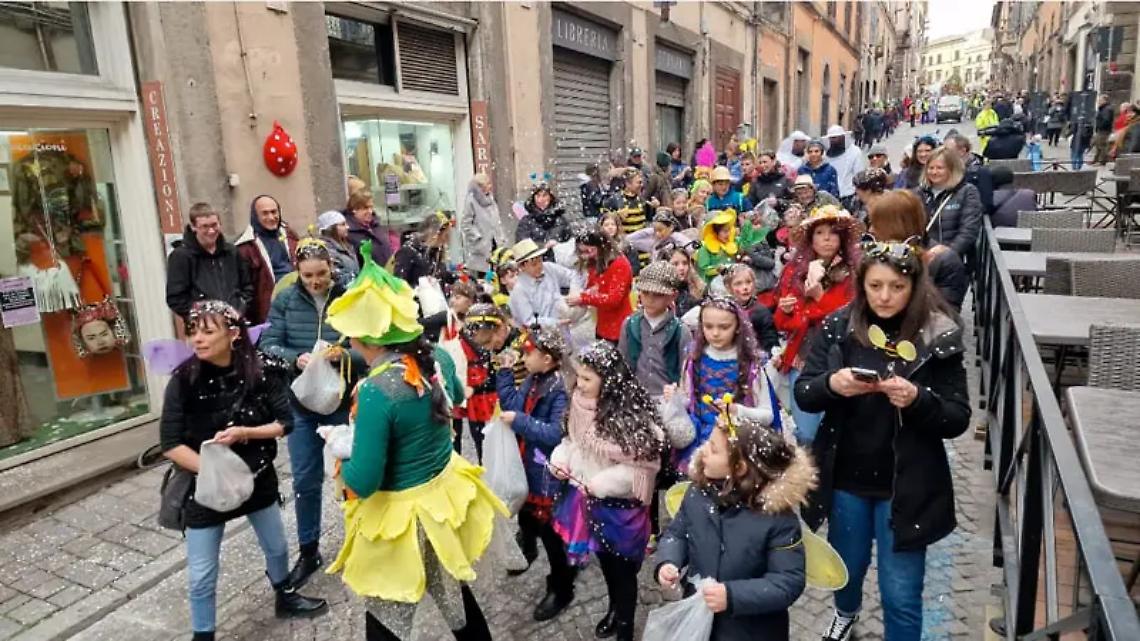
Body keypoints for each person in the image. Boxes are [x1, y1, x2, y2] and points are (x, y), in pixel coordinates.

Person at [323, 243, 506, 641]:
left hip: (400, 519)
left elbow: (364, 480)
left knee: (386, 617)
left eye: (352, 334)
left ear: (369, 338)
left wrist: (339, 453)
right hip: (440, 502)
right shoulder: (437, 357)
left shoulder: (376, 390)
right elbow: (454, 398)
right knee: (458, 605)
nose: (349, 341)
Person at [795, 236, 970, 641]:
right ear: (862, 285)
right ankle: (846, 612)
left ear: (914, 287)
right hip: (847, 479)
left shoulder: (938, 332)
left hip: (906, 484)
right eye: (875, 286)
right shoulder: (840, 326)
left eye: (897, 286)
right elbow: (804, 392)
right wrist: (832, 384)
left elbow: (957, 416)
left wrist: (918, 399)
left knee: (901, 594)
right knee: (847, 568)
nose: (885, 297)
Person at [161, 301, 328, 641]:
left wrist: (245, 433)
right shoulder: (183, 380)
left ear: (234, 334)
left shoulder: (260, 372)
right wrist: (215, 471)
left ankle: (285, 595)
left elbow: (285, 423)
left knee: (277, 547)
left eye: (208, 332)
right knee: (201, 573)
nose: (197, 339)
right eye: (193, 332)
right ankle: (203, 635)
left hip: (257, 476)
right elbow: (170, 443)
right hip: (206, 487)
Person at [259, 239, 366, 589]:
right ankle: (309, 550)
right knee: (305, 479)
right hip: (301, 402)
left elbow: (370, 346)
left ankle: (361, 543)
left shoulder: (349, 298)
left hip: (341, 400)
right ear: (297, 272)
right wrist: (295, 358)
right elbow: (268, 345)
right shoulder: (286, 300)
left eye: (321, 273)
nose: (316, 281)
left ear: (331, 267)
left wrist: (345, 355)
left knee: (352, 475)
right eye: (308, 276)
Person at [549, 341, 665, 641]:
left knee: (624, 568)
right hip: (586, 500)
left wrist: (606, 483)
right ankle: (615, 609)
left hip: (620, 506)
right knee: (605, 561)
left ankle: (625, 625)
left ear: (609, 380)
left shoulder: (630, 414)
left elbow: (645, 464)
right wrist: (563, 460)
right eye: (579, 376)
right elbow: (573, 441)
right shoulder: (578, 403)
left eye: (587, 379)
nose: (580, 384)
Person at [656, 419, 812, 641]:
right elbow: (677, 533)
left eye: (713, 449)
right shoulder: (698, 492)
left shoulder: (778, 520)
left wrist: (732, 596)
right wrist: (669, 561)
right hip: (701, 620)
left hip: (751, 631)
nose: (703, 450)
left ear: (739, 468)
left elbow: (787, 581)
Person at [495, 329, 573, 620]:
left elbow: (554, 433)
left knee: (552, 535)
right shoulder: (534, 378)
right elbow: (513, 405)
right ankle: (528, 549)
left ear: (547, 359)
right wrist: (505, 373)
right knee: (527, 518)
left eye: (529, 353)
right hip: (528, 466)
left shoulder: (559, 388)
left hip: (547, 474)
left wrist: (520, 421)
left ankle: (562, 588)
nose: (524, 358)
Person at [772, 205, 862, 445]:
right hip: (802, 357)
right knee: (806, 432)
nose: (827, 239)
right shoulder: (795, 271)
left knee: (837, 431)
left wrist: (820, 297)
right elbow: (782, 323)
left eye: (833, 233)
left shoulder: (854, 273)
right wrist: (786, 310)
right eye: (820, 233)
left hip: (841, 357)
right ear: (811, 239)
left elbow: (851, 319)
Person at [666, 295, 774, 470]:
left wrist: (737, 411)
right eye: (708, 326)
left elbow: (767, 415)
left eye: (724, 327)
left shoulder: (751, 366)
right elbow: (689, 401)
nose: (715, 333)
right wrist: (675, 397)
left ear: (738, 327)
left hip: (736, 444)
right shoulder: (694, 359)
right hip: (698, 442)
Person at [867, 190, 968, 311]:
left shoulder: (943, 261)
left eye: (877, 224)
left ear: (897, 225)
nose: (871, 230)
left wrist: (919, 270)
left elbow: (947, 314)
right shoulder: (876, 255)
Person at [166, 202, 253, 322]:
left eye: (214, 225)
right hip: (203, 326)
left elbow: (247, 286)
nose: (211, 231)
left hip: (235, 321)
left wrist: (239, 308)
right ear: (193, 227)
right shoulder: (181, 257)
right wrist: (203, 316)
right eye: (205, 226)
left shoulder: (232, 252)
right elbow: (176, 298)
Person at [618, 260, 692, 398]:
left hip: (667, 398)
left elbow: (686, 373)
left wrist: (679, 393)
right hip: (635, 396)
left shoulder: (681, 331)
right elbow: (622, 363)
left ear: (673, 296)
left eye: (658, 294)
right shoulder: (629, 324)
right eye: (645, 292)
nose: (650, 299)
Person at [236, 194, 300, 325]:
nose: (271, 217)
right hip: (269, 312)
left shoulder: (291, 236)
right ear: (255, 216)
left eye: (274, 212)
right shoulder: (246, 247)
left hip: (298, 304)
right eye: (265, 213)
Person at [566, 225, 634, 344]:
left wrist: (583, 298)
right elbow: (593, 287)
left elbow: (613, 300)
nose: (586, 255)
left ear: (601, 246)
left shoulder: (620, 264)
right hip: (603, 326)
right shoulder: (596, 262)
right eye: (581, 252)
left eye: (589, 251)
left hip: (619, 329)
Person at [919, 147, 983, 261]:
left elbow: (969, 230)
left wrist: (948, 253)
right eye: (931, 168)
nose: (934, 172)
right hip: (924, 258)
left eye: (939, 168)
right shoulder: (920, 193)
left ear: (951, 169)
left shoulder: (967, 191)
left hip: (953, 259)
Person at [507, 238, 583, 329]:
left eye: (540, 261)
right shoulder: (519, 290)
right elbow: (529, 321)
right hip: (542, 332)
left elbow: (573, 275)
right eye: (534, 264)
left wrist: (574, 291)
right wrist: (555, 322)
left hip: (564, 322)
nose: (539, 266)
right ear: (522, 267)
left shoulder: (548, 268)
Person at [722, 264, 779, 352]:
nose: (745, 287)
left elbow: (771, 343)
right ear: (729, 287)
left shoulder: (761, 312)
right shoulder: (724, 311)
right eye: (738, 284)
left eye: (748, 282)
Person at [461, 173, 506, 276]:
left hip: (494, 242)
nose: (490, 186)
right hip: (481, 246)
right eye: (488, 184)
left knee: (496, 274)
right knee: (483, 276)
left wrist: (501, 236)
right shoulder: (471, 200)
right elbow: (465, 224)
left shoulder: (490, 198)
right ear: (480, 186)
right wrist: (477, 236)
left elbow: (496, 220)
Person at [943, 133, 994, 215]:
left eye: (947, 150)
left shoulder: (980, 172)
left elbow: (986, 204)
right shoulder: (944, 169)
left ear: (962, 151)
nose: (943, 154)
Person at [344, 189, 394, 270]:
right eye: (365, 208)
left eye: (371, 207)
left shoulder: (376, 226)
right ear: (354, 209)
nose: (370, 211)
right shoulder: (349, 233)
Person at [516, 180, 570, 249]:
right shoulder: (526, 221)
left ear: (551, 197)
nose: (540, 199)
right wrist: (543, 246)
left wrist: (558, 245)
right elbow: (522, 244)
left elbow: (569, 243)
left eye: (544, 195)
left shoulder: (560, 220)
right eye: (538, 196)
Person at [822, 124, 867, 204]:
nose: (834, 140)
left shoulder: (855, 152)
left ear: (843, 137)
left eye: (836, 137)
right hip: (829, 197)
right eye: (831, 138)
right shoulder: (825, 155)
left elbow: (859, 174)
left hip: (848, 196)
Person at [316, 210, 361, 287]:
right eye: (343, 224)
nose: (348, 227)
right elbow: (337, 279)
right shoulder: (327, 251)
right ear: (330, 228)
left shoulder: (347, 245)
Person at [696, 209, 743, 283]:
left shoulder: (735, 241)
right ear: (714, 232)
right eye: (725, 231)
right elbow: (703, 270)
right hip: (715, 285)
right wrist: (717, 269)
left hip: (735, 281)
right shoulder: (705, 248)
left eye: (729, 230)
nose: (728, 234)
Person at [604, 168, 654, 235]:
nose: (641, 185)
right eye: (639, 182)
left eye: (641, 182)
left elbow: (649, 221)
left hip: (640, 239)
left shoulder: (642, 200)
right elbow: (602, 220)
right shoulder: (614, 200)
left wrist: (654, 208)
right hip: (623, 239)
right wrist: (616, 216)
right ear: (628, 184)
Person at [666, 245, 706, 319]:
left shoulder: (699, 288)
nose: (681, 268)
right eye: (675, 264)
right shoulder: (659, 294)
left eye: (685, 263)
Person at [1092, 94, 1115, 165]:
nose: (1099, 101)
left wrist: (1100, 126)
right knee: (1098, 145)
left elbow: (1106, 120)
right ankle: (1096, 160)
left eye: (1100, 100)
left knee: (1102, 146)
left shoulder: (1107, 109)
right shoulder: (1102, 108)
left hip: (1104, 130)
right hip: (1100, 130)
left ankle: (1102, 161)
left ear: (1105, 100)